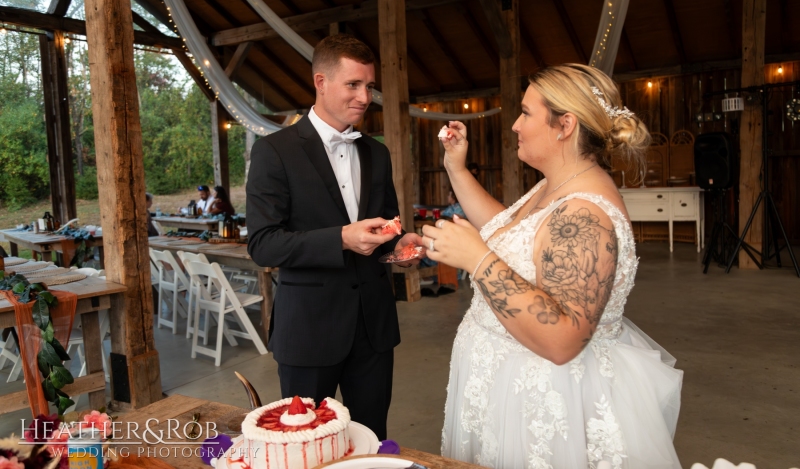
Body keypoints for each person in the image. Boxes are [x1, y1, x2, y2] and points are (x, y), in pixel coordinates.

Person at [423, 64, 683, 468]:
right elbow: (506, 230)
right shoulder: (556, 184)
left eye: (525, 113)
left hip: (542, 405)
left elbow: (564, 339)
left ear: (565, 125)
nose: (514, 125)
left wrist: (476, 258)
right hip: (501, 389)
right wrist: (456, 166)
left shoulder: (586, 215)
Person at [246, 34, 423, 440]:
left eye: (369, 86)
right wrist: (341, 238)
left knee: (371, 441)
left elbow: (388, 225)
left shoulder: (377, 153)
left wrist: (401, 245)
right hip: (309, 331)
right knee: (305, 444)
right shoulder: (275, 151)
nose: (365, 96)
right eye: (354, 85)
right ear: (321, 82)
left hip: (374, 329)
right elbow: (263, 244)